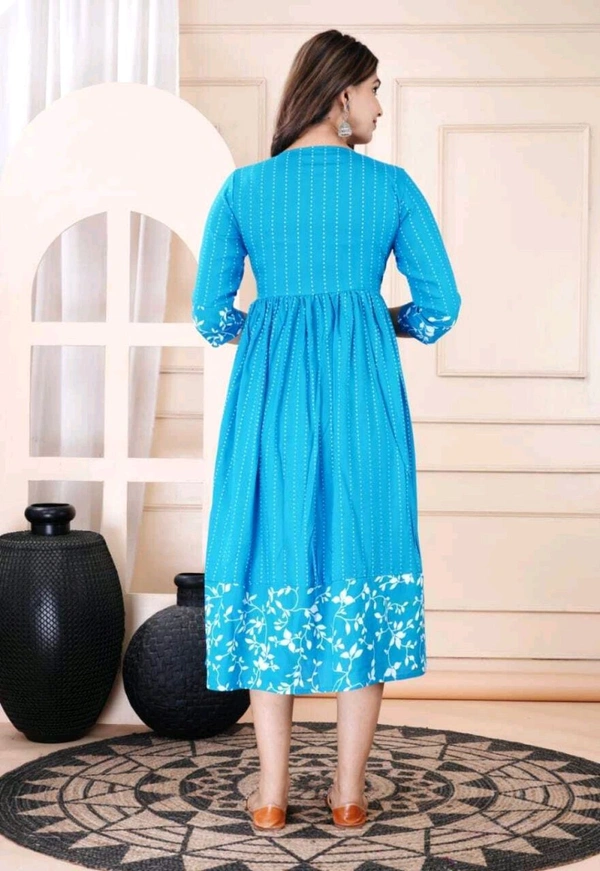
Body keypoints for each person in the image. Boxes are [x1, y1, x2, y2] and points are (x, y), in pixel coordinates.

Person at [191, 29, 461, 835]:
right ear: (341, 95)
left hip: (269, 406)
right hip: (361, 403)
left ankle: (271, 794)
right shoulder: (390, 187)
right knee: (360, 561)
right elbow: (440, 307)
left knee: (273, 563)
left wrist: (270, 331)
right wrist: (376, 323)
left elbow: (210, 316)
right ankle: (347, 794)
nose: (381, 105)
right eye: (375, 89)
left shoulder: (243, 189)